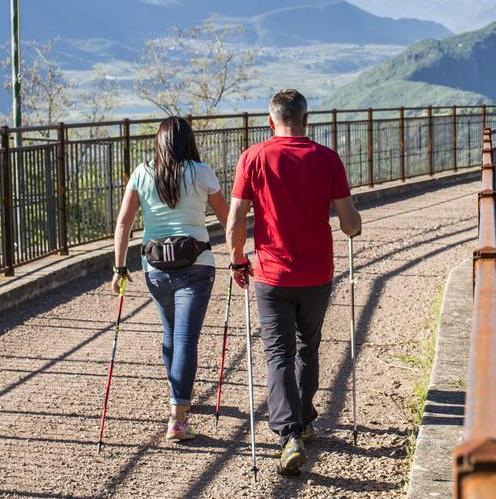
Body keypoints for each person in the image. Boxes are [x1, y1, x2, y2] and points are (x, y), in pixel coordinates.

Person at [226, 89, 362, 475]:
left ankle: (288, 435)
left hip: (270, 275)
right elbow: (349, 224)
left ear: (270, 121)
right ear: (306, 119)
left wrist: (237, 260)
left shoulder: (253, 158)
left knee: (278, 354)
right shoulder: (328, 159)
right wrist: (355, 224)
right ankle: (302, 420)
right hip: (317, 274)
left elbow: (236, 219)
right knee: (308, 347)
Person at [111, 116, 229, 442]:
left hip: (156, 268)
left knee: (171, 334)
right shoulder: (201, 172)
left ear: (159, 142)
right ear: (188, 140)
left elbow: (123, 224)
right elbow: (227, 217)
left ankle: (178, 392)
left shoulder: (141, 172)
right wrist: (238, 257)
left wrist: (119, 268)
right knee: (186, 340)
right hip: (198, 265)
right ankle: (177, 417)